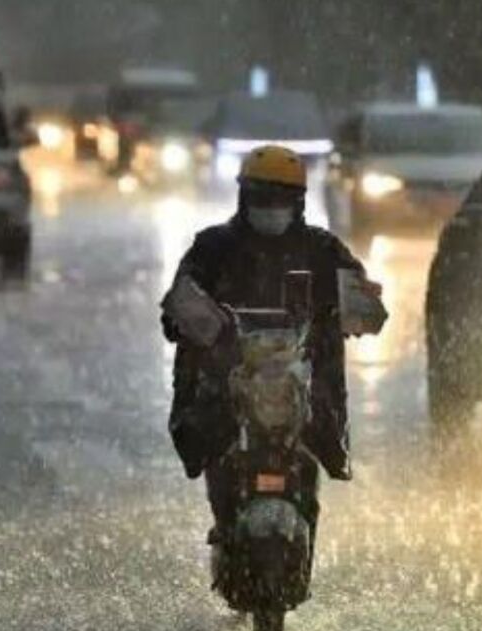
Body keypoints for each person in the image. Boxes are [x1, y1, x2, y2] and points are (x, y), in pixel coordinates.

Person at [160, 145, 382, 553]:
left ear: (297, 202)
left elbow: (362, 299)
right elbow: (181, 301)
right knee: (209, 426)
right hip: (229, 377)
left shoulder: (322, 250)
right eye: (261, 198)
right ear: (244, 197)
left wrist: (358, 310)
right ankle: (224, 517)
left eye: (279, 199)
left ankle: (305, 518)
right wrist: (196, 322)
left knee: (320, 426)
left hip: (302, 376)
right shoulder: (214, 248)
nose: (270, 208)